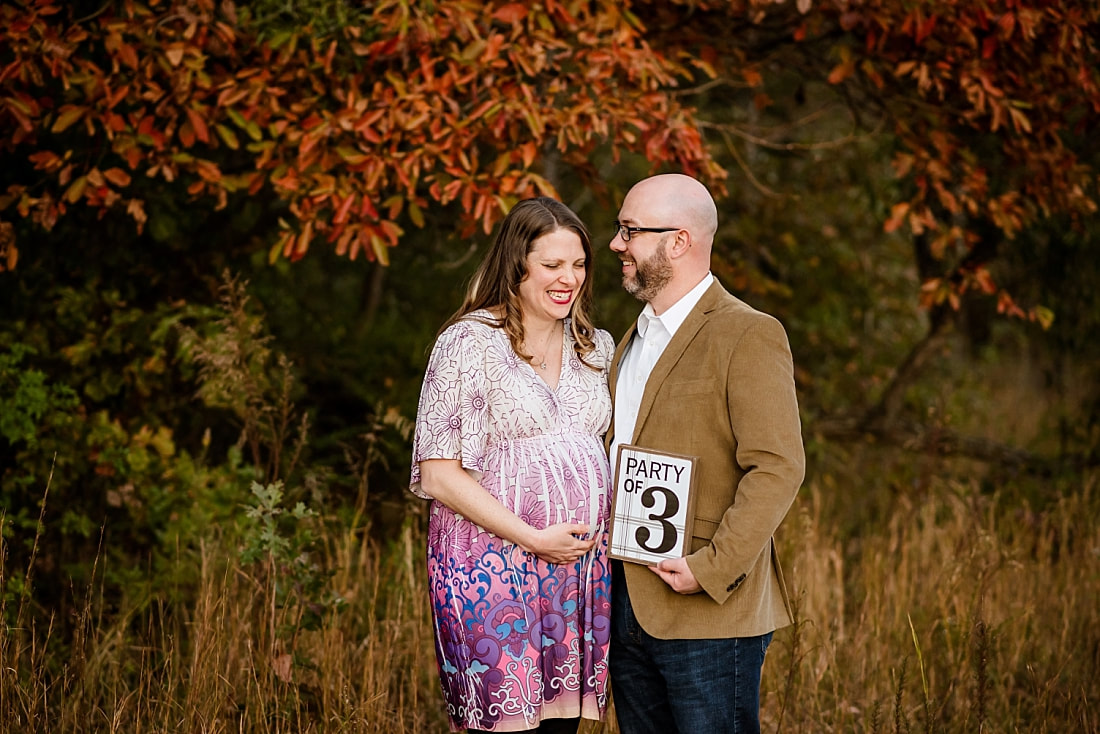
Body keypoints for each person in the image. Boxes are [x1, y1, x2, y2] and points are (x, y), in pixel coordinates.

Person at [605, 173, 805, 734]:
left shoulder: (748, 333)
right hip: (627, 604)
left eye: (630, 231)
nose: (617, 244)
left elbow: (778, 465)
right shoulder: (632, 338)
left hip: (709, 614)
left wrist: (710, 568)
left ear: (678, 241)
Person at [410, 197, 616, 734]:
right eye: (552, 265)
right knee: (503, 724)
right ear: (517, 265)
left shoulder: (597, 349)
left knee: (558, 727)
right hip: (491, 568)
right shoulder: (469, 344)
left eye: (578, 265)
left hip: (575, 572)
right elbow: (438, 473)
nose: (568, 278)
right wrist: (532, 536)